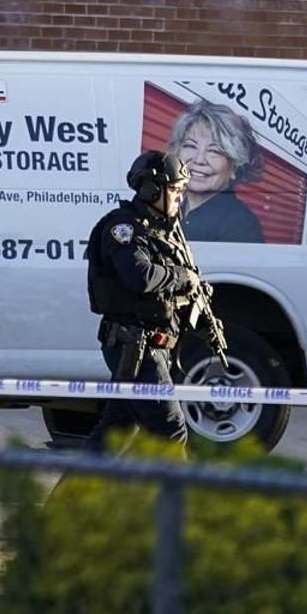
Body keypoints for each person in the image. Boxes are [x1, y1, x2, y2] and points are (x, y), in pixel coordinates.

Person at [83, 150, 202, 453]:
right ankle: (175, 502)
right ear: (152, 189)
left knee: (114, 437)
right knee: (171, 429)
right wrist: (181, 277)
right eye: (174, 190)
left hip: (152, 344)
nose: (179, 197)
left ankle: (67, 502)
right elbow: (141, 276)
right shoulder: (123, 228)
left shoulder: (161, 231)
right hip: (134, 346)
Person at [168, 100, 265, 243]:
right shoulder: (171, 208)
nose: (199, 160)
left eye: (214, 150)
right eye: (191, 146)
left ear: (234, 166)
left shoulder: (240, 225)